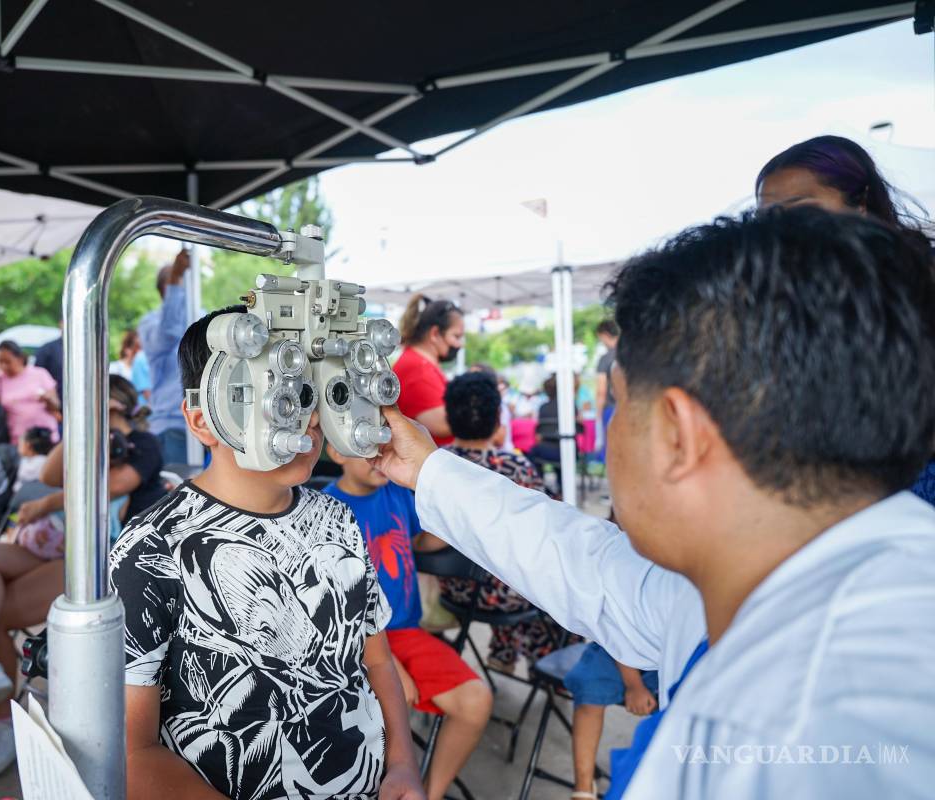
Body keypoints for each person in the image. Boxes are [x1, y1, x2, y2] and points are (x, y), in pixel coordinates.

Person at [369, 208, 935, 798]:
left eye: (619, 404)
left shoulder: (798, 734)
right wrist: (429, 470)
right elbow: (585, 565)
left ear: (677, 434)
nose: (611, 431)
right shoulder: (763, 577)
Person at [110, 305, 423, 800]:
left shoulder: (338, 518)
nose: (307, 419)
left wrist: (403, 765)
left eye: (311, 393)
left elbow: (376, 661)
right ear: (204, 420)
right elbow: (132, 751)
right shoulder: (152, 548)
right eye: (273, 397)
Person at [0, 375, 165, 782]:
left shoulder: (143, 442)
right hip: (59, 545)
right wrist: (81, 421)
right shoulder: (87, 435)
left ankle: (1, 719)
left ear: (117, 402)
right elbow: (51, 472)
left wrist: (46, 505)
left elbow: (115, 486)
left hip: (99, 555)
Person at [757, 134, 935, 507]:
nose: (782, 231)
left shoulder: (920, 276)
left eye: (802, 210)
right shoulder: (781, 298)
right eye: (769, 218)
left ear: (861, 203)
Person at [324, 445, 492, 800]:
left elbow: (420, 539)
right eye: (364, 447)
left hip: (406, 632)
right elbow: (333, 608)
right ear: (336, 453)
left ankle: (429, 794)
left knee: (476, 701)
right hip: (353, 644)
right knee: (366, 719)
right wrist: (390, 666)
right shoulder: (325, 510)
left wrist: (458, 518)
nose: (378, 455)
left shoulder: (397, 493)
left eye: (383, 444)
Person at [425, 372, 570, 672]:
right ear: (496, 421)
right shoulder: (515, 467)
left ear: (449, 418)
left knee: (506, 564)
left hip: (454, 588)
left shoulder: (435, 465)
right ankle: (541, 668)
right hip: (504, 593)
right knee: (553, 587)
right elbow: (547, 526)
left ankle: (503, 653)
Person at [563, 643, 658, 800]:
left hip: (676, 658)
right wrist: (634, 684)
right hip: (619, 649)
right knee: (590, 686)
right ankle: (583, 787)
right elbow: (618, 636)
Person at [138, 249, 192, 464]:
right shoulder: (150, 323)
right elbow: (169, 333)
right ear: (165, 289)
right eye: (176, 285)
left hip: (199, 425)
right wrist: (175, 280)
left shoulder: (198, 315)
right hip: (171, 425)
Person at [392, 294, 464, 446]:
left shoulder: (420, 363)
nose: (460, 344)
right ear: (435, 334)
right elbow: (443, 424)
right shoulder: (417, 369)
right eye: (456, 336)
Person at [0, 340, 59, 446]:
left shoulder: (40, 374)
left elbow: (56, 406)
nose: (4, 366)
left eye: (8, 362)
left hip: (46, 437)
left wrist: (48, 399)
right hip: (19, 440)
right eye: (0, 362)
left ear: (20, 359)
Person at [593, 320, 619, 460]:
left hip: (611, 409)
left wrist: (598, 413)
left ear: (604, 335)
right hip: (631, 408)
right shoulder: (631, 355)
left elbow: (601, 390)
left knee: (610, 452)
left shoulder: (605, 359)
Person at [110, 329, 152, 408]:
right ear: (127, 349)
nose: (140, 353)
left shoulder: (143, 368)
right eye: (137, 348)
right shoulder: (114, 369)